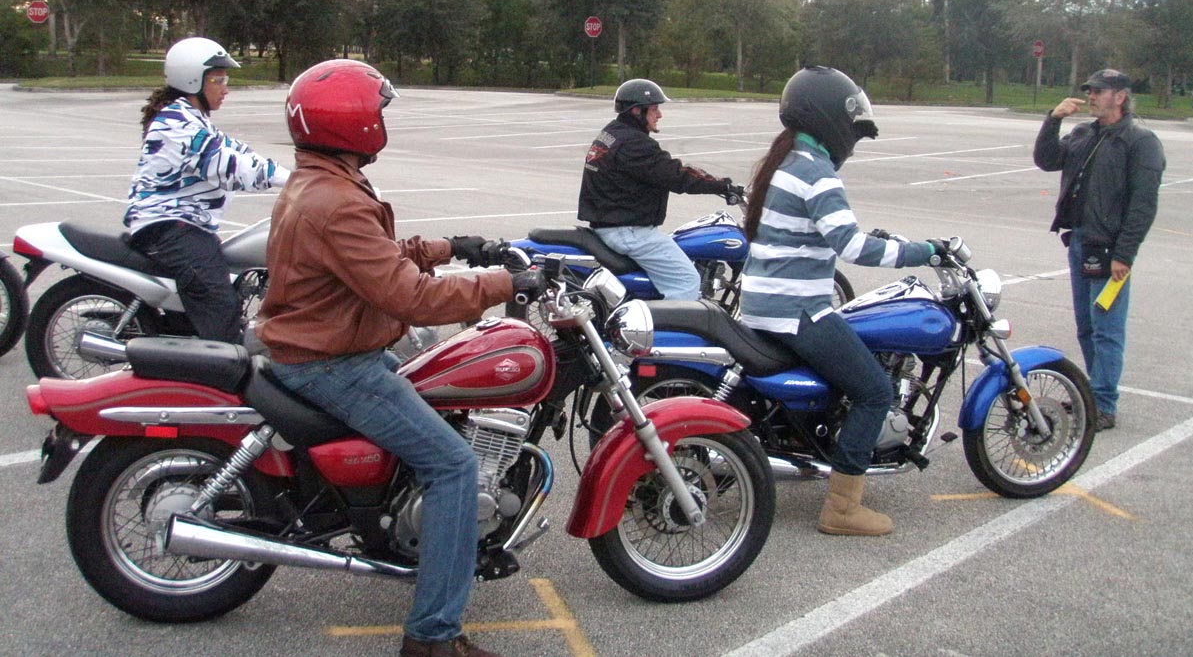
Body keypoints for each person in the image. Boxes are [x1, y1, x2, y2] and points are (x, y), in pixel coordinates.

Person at [256, 59, 544, 657]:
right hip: (333, 363)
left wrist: (452, 246)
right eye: (377, 111)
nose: (382, 121)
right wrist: (506, 284)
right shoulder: (336, 200)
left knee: (441, 413)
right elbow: (407, 296)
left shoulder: (321, 183)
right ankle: (432, 638)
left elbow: (378, 258)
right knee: (455, 466)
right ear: (353, 122)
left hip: (331, 348)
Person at [739, 66, 941, 536]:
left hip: (764, 306)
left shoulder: (783, 162)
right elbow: (852, 246)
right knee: (875, 391)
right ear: (829, 118)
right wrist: (925, 251)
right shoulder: (816, 172)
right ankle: (843, 509)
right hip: (797, 310)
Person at [125, 37, 289, 343]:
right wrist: (293, 182)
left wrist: (302, 172)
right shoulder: (176, 123)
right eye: (218, 80)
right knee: (220, 306)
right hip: (169, 228)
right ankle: (224, 362)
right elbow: (228, 165)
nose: (225, 89)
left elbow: (239, 151)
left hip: (184, 227)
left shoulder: (191, 118)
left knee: (220, 288)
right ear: (192, 80)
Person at [1034, 68, 1165, 431]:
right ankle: (1094, 396)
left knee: (1107, 329)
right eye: (1090, 90)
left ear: (1120, 97)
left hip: (1110, 249)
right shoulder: (1084, 133)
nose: (1091, 96)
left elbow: (1143, 205)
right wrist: (1053, 120)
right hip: (1080, 241)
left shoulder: (1140, 142)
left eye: (1099, 91)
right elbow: (1046, 160)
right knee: (1087, 327)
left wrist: (1125, 253)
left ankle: (1104, 403)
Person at [577, 78, 741, 300]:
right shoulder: (635, 144)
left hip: (613, 225)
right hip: (629, 231)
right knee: (686, 281)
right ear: (637, 110)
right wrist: (723, 186)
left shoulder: (612, 133)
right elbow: (677, 176)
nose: (659, 114)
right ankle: (671, 321)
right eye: (654, 109)